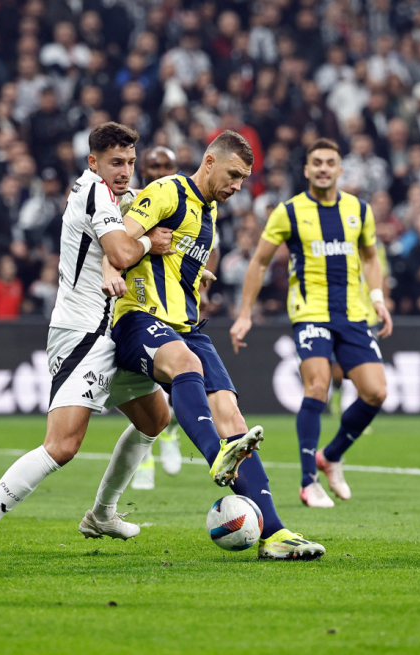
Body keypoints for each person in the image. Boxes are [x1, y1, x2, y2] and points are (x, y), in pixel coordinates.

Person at [0, 122, 175, 564]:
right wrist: (151, 241)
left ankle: (103, 514)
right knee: (62, 446)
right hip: (83, 332)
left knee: (155, 418)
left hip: (111, 330)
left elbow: (127, 240)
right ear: (93, 162)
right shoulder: (94, 192)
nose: (125, 171)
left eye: (130, 162)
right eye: (116, 162)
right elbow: (123, 252)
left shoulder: (114, 195)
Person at [105, 130, 326, 560]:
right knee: (186, 365)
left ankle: (275, 534)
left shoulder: (208, 212)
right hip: (140, 318)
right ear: (209, 162)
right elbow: (119, 244)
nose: (238, 186)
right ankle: (216, 454)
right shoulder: (167, 190)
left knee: (232, 415)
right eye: (234, 175)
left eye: (243, 179)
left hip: (186, 325)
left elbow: (174, 257)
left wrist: (193, 272)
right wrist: (140, 252)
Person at [230, 138, 393, 508]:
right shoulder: (288, 212)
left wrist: (378, 299)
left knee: (376, 392)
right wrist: (244, 314)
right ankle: (308, 481)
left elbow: (370, 258)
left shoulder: (359, 210)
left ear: (339, 169)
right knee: (318, 386)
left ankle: (331, 456)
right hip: (310, 312)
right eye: (316, 162)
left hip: (352, 313)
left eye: (330, 162)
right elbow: (259, 262)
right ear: (306, 169)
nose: (323, 168)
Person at [124, 145, 182, 491]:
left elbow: (209, 250)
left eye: (166, 166)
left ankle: (171, 430)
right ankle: (144, 457)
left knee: (182, 380)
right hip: (137, 303)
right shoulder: (129, 205)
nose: (160, 171)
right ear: (142, 170)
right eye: (154, 166)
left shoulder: (187, 205)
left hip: (176, 304)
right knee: (140, 385)